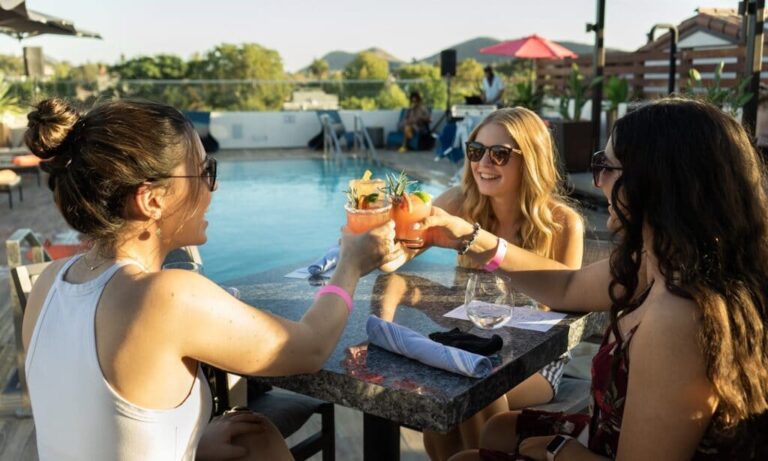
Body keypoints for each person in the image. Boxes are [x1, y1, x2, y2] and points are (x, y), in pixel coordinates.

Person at [21, 98, 402, 460]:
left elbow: (87, 425)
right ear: (152, 200)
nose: (213, 187)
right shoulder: (164, 296)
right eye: (205, 172)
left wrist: (190, 447)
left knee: (252, 437)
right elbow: (310, 348)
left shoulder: (49, 284)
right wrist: (350, 264)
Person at [418, 98, 768, 460]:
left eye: (607, 166)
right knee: (496, 428)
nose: (598, 181)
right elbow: (566, 287)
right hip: (603, 429)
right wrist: (469, 237)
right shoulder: (650, 262)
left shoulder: (679, 318)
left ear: (656, 182)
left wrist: (558, 449)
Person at [387, 107, 584, 460]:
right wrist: (385, 238)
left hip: (536, 360)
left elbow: (565, 315)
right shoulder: (461, 203)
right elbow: (402, 247)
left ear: (531, 160)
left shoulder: (563, 223)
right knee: (448, 392)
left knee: (468, 381)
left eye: (500, 154)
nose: (484, 163)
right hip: (472, 340)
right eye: (476, 151)